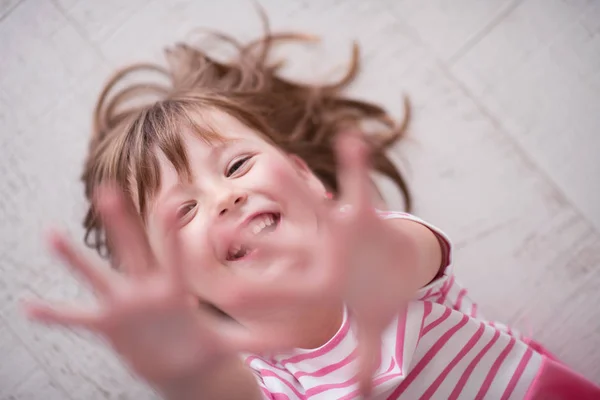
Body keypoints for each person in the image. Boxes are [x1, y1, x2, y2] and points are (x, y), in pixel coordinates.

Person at [23, 21, 600, 400]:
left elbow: (401, 256)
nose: (226, 198)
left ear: (306, 178)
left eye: (237, 166)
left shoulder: (383, 246)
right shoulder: (265, 381)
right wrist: (189, 375)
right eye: (185, 211)